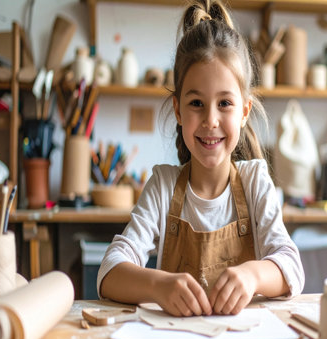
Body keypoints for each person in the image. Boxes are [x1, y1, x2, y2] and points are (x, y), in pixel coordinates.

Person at [98, 0, 304, 317]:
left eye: (224, 103)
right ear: (178, 109)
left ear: (245, 111)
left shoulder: (254, 182)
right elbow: (110, 271)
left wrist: (253, 275)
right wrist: (157, 286)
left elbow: (292, 267)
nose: (210, 119)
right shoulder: (163, 186)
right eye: (196, 103)